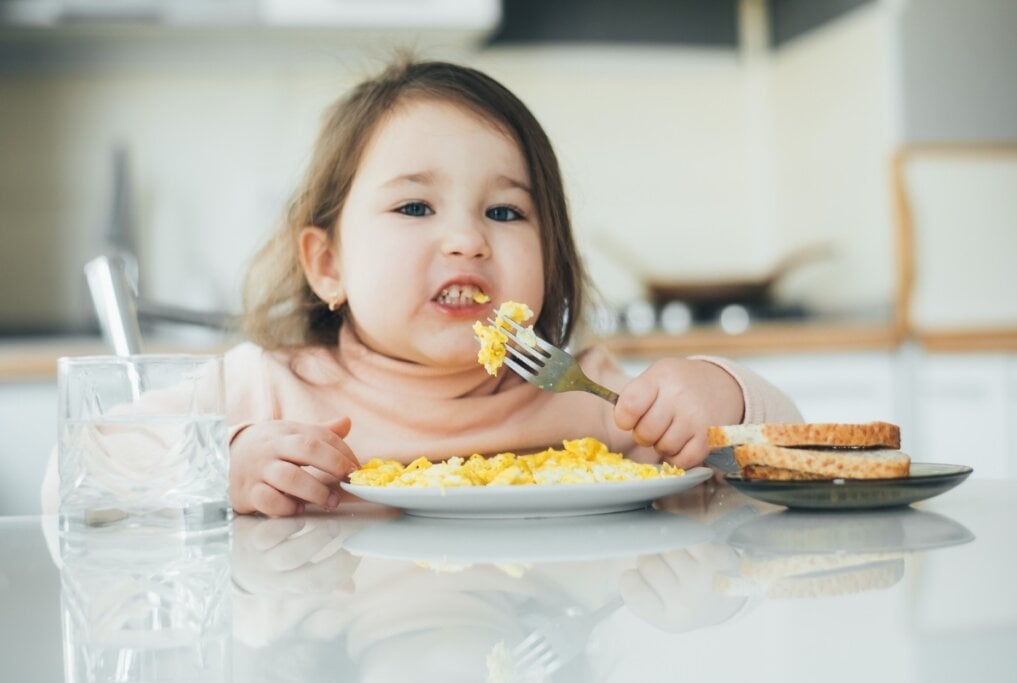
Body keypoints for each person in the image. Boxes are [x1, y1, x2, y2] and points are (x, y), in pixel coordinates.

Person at [42, 57, 801, 518]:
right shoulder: (261, 391)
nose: (468, 238)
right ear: (327, 264)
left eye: (505, 211)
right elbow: (76, 471)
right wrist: (218, 465)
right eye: (414, 207)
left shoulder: (594, 398)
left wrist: (723, 398)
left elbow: (783, 460)